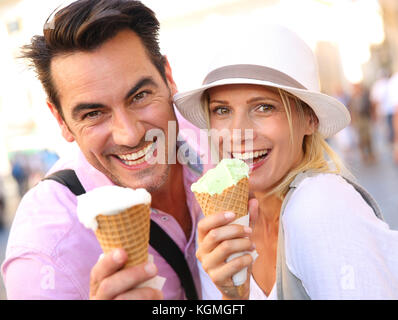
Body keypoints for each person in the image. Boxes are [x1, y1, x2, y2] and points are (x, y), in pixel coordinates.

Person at [174, 24, 398, 299]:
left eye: (264, 107)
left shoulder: (321, 204)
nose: (237, 132)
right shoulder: (216, 230)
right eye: (222, 110)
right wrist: (234, 294)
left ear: (309, 119)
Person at [1, 0, 203, 300]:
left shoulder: (217, 137)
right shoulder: (44, 253)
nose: (130, 135)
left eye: (140, 96)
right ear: (62, 121)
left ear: (168, 77)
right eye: (93, 113)